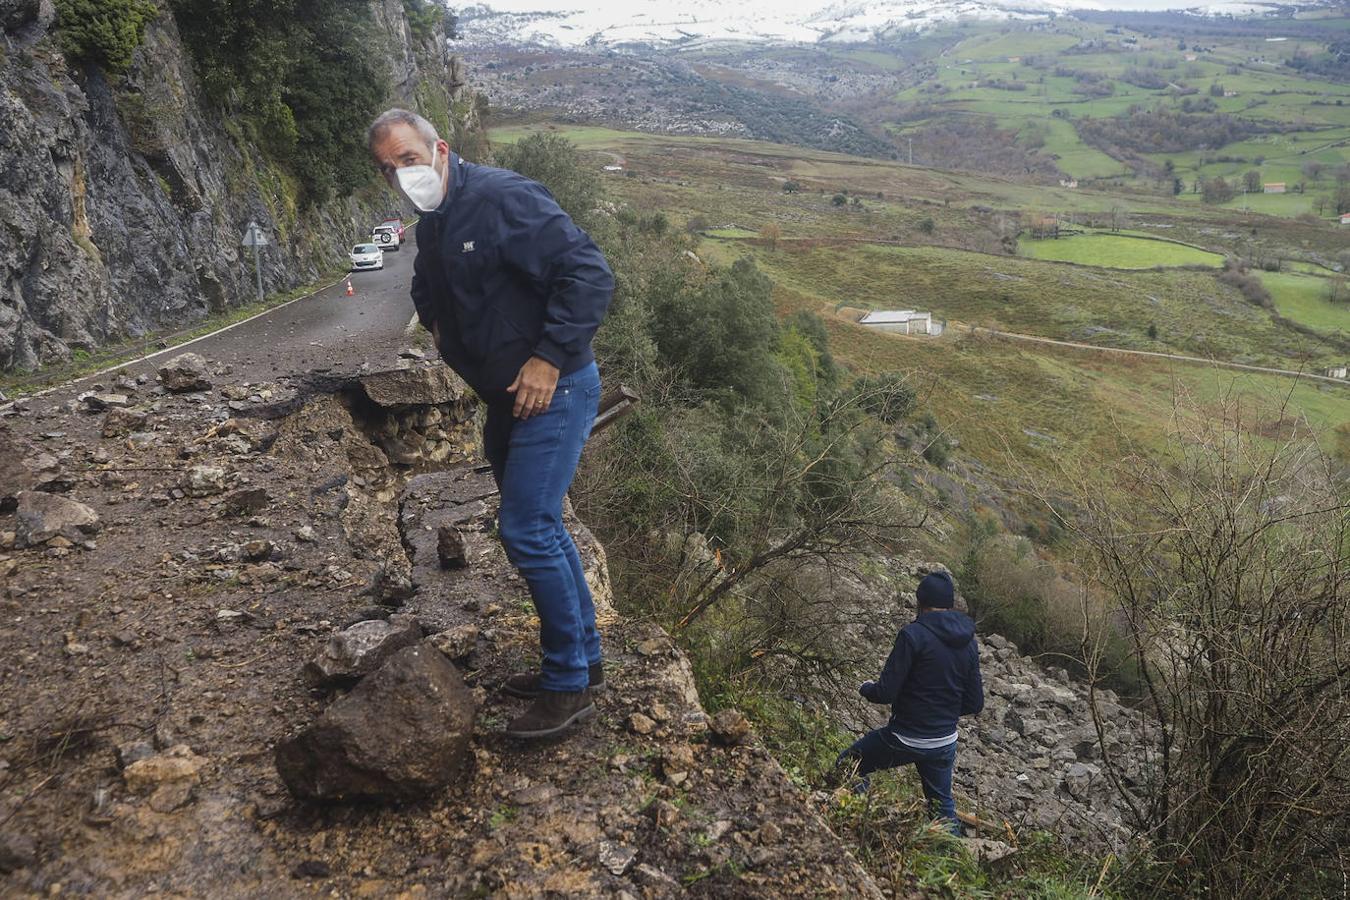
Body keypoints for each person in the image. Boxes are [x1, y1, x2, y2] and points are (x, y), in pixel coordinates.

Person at [367, 108, 613, 740]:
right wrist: (441, 329)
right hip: (506, 398)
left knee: (526, 529)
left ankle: (567, 687)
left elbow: (587, 273)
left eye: (409, 159)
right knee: (543, 524)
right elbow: (430, 284)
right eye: (389, 168)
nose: (402, 175)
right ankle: (585, 663)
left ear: (439, 148)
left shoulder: (505, 197)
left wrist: (547, 357)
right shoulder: (436, 221)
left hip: (554, 390)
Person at [837, 570, 983, 834]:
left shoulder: (912, 635)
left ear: (920, 602)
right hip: (944, 742)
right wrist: (942, 711)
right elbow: (974, 703)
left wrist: (865, 688)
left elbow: (886, 693)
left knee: (849, 764)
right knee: (942, 806)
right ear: (949, 604)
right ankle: (952, 861)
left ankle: (858, 822)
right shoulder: (969, 643)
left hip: (906, 737)